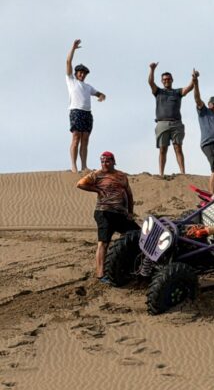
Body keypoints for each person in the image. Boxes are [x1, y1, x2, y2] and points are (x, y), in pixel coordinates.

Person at [76, 151, 139, 282]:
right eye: (102, 161)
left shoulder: (121, 176)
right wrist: (97, 190)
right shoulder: (97, 174)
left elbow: (129, 195)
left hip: (120, 214)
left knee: (136, 234)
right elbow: (80, 184)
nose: (104, 164)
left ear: (113, 161)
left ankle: (129, 264)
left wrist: (130, 212)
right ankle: (101, 274)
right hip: (104, 212)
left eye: (107, 161)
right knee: (103, 242)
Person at [66, 39, 106, 173]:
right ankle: (74, 166)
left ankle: (84, 166)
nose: (82, 74)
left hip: (87, 113)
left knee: (85, 139)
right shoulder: (71, 81)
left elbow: (100, 93)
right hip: (76, 111)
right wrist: (73, 48)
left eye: (84, 73)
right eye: (80, 72)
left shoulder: (88, 87)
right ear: (76, 73)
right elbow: (68, 62)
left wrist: (101, 96)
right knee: (76, 137)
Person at [148, 63, 195, 176]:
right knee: (162, 149)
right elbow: (150, 82)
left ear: (172, 80)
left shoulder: (177, 92)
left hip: (176, 123)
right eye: (164, 79)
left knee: (178, 148)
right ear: (162, 81)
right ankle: (161, 173)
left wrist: (193, 78)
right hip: (162, 123)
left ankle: (182, 173)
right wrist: (152, 69)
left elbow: (189, 88)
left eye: (168, 79)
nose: (166, 81)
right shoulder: (158, 92)